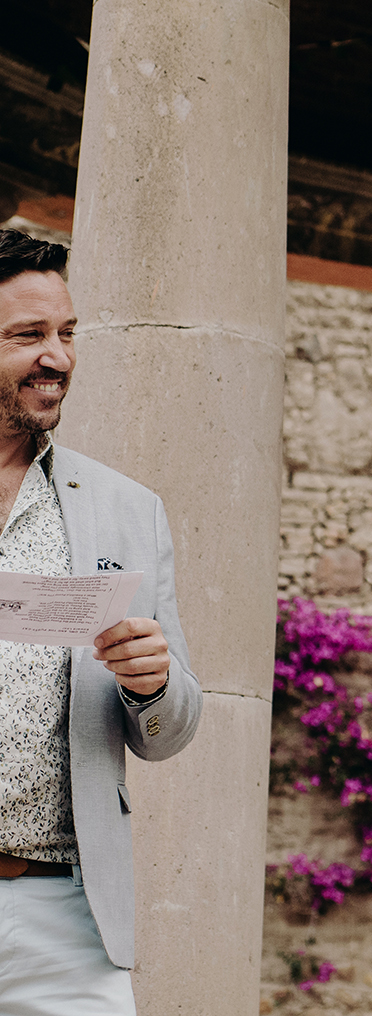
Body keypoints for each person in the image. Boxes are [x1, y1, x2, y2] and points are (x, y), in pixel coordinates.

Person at [0, 230, 202, 1015]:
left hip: (67, 918)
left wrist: (153, 684)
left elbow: (175, 728)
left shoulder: (126, 510)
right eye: (28, 336)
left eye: (67, 333)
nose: (58, 357)